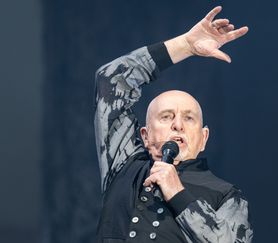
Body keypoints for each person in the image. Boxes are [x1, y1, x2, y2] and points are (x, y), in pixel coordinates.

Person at [94, 6, 252, 243]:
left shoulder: (226, 195)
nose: (178, 124)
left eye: (189, 118)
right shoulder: (123, 165)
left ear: (204, 138)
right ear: (145, 136)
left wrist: (177, 192)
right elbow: (111, 79)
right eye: (167, 116)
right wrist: (186, 45)